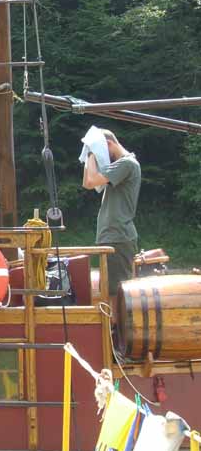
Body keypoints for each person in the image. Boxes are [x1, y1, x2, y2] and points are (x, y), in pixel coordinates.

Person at [82, 128, 141, 322]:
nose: (101, 157)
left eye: (101, 151)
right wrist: (89, 154)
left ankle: (118, 335)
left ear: (108, 144)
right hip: (112, 236)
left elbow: (92, 180)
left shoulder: (126, 164)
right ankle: (114, 333)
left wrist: (91, 154)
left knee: (118, 293)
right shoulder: (121, 166)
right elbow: (87, 182)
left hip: (119, 236)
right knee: (110, 290)